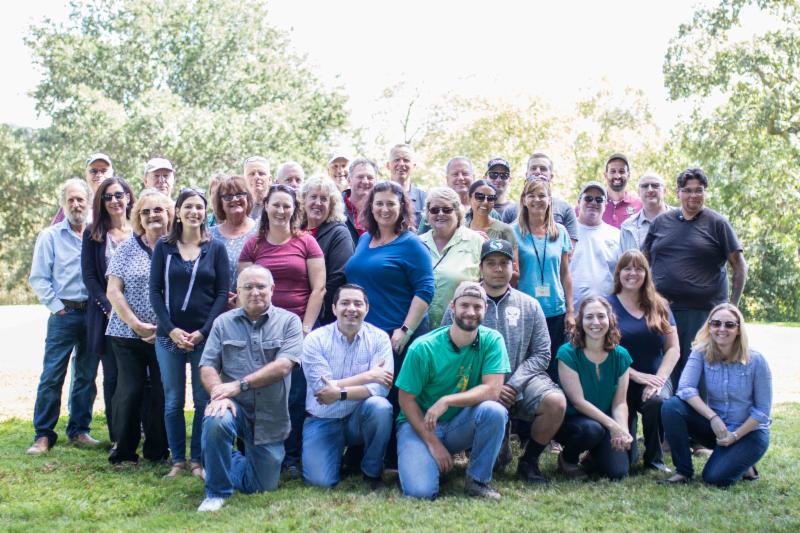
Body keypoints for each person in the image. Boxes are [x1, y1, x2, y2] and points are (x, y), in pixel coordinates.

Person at [441, 240, 566, 483]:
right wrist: (488, 387)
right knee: (497, 464)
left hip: (521, 380)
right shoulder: (464, 304)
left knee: (556, 402)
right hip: (477, 382)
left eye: (504, 263)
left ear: (513, 267)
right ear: (481, 267)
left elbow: (542, 353)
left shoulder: (529, 304)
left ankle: (529, 461)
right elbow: (446, 346)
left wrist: (513, 384)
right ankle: (492, 441)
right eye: (491, 263)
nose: (498, 269)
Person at [197, 265, 303, 512]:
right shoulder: (223, 323)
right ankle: (216, 492)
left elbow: (284, 366)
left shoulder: (290, 322)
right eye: (248, 287)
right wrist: (218, 392)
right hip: (234, 406)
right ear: (238, 292)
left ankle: (214, 461)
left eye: (261, 286)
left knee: (261, 486)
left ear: (272, 289)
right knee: (216, 418)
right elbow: (207, 365)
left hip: (270, 415)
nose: (255, 292)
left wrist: (239, 384)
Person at [238, 183, 326, 475]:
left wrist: (306, 328)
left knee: (294, 395)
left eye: (287, 205)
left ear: (294, 209)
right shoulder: (253, 245)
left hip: (297, 329)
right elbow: (245, 290)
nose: (281, 210)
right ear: (266, 207)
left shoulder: (307, 243)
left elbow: (319, 288)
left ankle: (290, 458)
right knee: (258, 393)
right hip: (259, 329)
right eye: (275, 204)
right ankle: (255, 452)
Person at [396, 281, 510, 500]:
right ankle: (428, 459)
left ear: (485, 309)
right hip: (420, 424)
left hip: (459, 422)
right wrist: (433, 442)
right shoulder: (423, 347)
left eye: (477, 306)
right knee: (421, 492)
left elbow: (493, 390)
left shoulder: (492, 340)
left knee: (494, 411)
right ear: (452, 307)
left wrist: (447, 400)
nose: (471, 312)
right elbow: (406, 400)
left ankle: (477, 480)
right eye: (464, 305)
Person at [150, 188, 230, 479]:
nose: (194, 212)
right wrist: (170, 330)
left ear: (204, 213)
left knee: (201, 400)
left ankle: (197, 460)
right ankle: (177, 460)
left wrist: (204, 331)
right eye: (188, 207)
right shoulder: (164, 247)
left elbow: (222, 293)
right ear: (178, 213)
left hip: (203, 338)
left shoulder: (216, 248)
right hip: (168, 337)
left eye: (199, 207)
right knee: (173, 400)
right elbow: (155, 292)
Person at [643, 167, 747, 387]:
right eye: (687, 190)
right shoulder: (661, 222)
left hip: (703, 313)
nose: (693, 195)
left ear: (705, 192)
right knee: (665, 372)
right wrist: (645, 299)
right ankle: (667, 409)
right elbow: (643, 262)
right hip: (664, 312)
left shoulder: (717, 223)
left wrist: (732, 308)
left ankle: (701, 410)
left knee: (699, 373)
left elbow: (739, 266)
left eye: (699, 190)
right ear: (678, 193)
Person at [660, 304, 771, 486]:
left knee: (714, 478)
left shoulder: (756, 361)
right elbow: (686, 388)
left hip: (750, 433)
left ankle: (745, 464)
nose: (722, 329)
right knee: (672, 406)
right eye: (716, 323)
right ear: (709, 327)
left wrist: (735, 436)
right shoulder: (701, 352)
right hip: (717, 428)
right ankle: (683, 472)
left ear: (738, 330)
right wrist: (713, 418)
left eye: (729, 325)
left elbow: (762, 412)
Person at [27, 179, 101, 455]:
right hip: (64, 313)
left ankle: (79, 430)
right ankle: (43, 435)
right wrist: (57, 306)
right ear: (63, 204)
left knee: (86, 376)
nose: (76, 204)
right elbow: (39, 277)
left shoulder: (96, 234)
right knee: (52, 375)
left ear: (88, 202)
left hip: (92, 314)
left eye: (80, 199)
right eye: (70, 200)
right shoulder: (50, 236)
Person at [301, 284, 394, 489]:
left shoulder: (379, 338)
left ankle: (372, 472)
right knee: (319, 482)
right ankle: (337, 458)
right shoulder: (315, 339)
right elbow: (322, 390)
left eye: (358, 304)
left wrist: (339, 392)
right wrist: (368, 376)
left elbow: (381, 388)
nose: (351, 308)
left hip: (358, 418)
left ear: (366, 309)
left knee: (380, 407)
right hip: (323, 419)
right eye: (345, 303)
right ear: (334, 308)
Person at [105, 189, 172, 465]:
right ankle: (123, 452)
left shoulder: (178, 247)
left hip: (166, 335)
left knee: (161, 391)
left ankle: (157, 451)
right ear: (138, 218)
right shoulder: (127, 248)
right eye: (146, 212)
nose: (152, 215)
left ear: (169, 214)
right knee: (130, 390)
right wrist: (137, 325)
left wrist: (164, 328)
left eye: (158, 210)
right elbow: (113, 291)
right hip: (127, 334)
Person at [344, 181, 434, 357]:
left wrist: (405, 330)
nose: (384, 209)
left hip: (396, 338)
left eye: (391, 204)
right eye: (379, 203)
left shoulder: (412, 244)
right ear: (371, 207)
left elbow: (426, 290)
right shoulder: (364, 239)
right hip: (365, 335)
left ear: (401, 207)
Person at [609, 250, 680, 472]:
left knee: (656, 401)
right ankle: (627, 448)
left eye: (639, 269)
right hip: (620, 379)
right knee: (624, 462)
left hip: (655, 377)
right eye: (627, 268)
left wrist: (658, 380)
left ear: (646, 274)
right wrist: (636, 375)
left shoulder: (660, 305)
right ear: (618, 273)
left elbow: (673, 349)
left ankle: (654, 458)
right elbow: (603, 350)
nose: (633, 273)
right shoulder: (607, 306)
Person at [81, 177, 135, 445]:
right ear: (101, 202)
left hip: (141, 315)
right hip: (107, 318)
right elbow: (90, 277)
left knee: (142, 376)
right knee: (113, 377)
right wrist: (110, 308)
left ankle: (143, 430)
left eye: (119, 195)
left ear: (128, 197)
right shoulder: (93, 233)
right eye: (108, 197)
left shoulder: (140, 229)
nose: (114, 201)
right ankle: (118, 436)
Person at [555, 296, 633, 480]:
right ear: (580, 321)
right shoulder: (568, 353)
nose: (596, 322)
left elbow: (620, 403)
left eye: (601, 316)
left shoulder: (621, 355)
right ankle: (567, 459)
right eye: (589, 317)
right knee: (592, 430)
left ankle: (594, 455)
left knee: (618, 472)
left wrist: (622, 429)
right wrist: (613, 426)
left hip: (605, 421)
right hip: (574, 421)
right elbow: (578, 402)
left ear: (610, 319)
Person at [513, 179, 574, 373]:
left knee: (553, 364)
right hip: (525, 310)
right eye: (531, 195)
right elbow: (512, 275)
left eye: (542, 196)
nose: (537, 200)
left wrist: (570, 310)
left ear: (549, 200)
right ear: (524, 200)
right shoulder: (513, 232)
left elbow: (565, 273)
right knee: (527, 364)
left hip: (555, 309)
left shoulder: (560, 232)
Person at [419, 187, 484, 328]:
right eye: (434, 210)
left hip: (461, 328)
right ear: (427, 214)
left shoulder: (476, 242)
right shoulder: (417, 243)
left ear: (457, 212)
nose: (440, 214)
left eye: (447, 210)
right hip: (420, 329)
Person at [299, 176, 355, 325]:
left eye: (324, 199)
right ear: (304, 200)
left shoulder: (339, 233)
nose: (318, 203)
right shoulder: (296, 229)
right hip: (293, 309)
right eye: (313, 197)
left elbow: (338, 277)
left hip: (321, 316)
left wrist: (314, 308)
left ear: (331, 205)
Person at [502, 153, 578, 245]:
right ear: (526, 174)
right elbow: (504, 246)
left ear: (551, 176)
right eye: (533, 168)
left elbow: (569, 249)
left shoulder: (565, 209)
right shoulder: (510, 211)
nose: (538, 172)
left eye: (543, 169)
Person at [570, 181, 620, 310]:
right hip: (570, 312)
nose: (593, 203)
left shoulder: (616, 235)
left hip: (607, 314)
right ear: (578, 201)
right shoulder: (565, 232)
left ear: (605, 205)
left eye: (599, 200)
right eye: (588, 198)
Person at [209, 175, 257, 294]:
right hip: (217, 302)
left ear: (248, 198)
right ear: (220, 202)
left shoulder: (261, 231)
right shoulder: (209, 235)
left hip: (254, 299)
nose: (235, 199)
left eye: (240, 194)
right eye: (228, 196)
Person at [51, 153, 113, 225]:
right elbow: (55, 229)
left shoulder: (119, 200)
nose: (99, 175)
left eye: (104, 171)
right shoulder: (73, 202)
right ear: (86, 175)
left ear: (111, 173)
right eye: (93, 171)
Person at [619, 172, 671, 251]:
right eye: (645, 186)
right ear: (638, 192)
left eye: (655, 185)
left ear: (664, 190)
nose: (650, 190)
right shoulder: (627, 227)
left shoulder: (680, 218)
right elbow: (623, 258)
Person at [386, 144, 426, 227]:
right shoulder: (378, 196)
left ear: (414, 166)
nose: (401, 164)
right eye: (396, 160)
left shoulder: (425, 199)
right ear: (388, 165)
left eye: (406, 160)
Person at [465, 179, 516, 244]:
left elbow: (513, 250)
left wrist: (489, 246)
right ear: (469, 199)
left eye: (491, 198)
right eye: (479, 197)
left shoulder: (505, 231)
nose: (485, 202)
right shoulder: (461, 229)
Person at [342, 158, 377, 245]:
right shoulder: (335, 207)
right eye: (360, 177)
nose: (365, 181)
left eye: (370, 177)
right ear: (349, 180)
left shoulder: (381, 210)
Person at [602, 153, 642, 228]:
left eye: (622, 171)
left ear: (628, 175)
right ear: (605, 175)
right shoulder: (595, 203)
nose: (617, 176)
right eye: (613, 171)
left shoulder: (639, 205)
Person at [243, 156, 272, 220]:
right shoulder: (239, 207)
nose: (256, 177)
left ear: (270, 179)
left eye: (261, 174)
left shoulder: (278, 206)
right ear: (244, 180)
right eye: (252, 174)